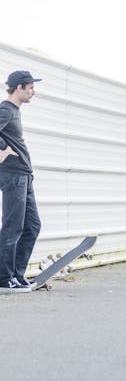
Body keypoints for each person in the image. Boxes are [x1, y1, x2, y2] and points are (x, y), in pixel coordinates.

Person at [0, 70, 43, 292]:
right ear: (19, 87)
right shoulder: (5, 109)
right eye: (30, 87)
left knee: (32, 226)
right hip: (13, 175)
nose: (33, 92)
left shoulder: (14, 111)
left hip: (24, 175)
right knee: (12, 227)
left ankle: (16, 275)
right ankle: (3, 279)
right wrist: (4, 149)